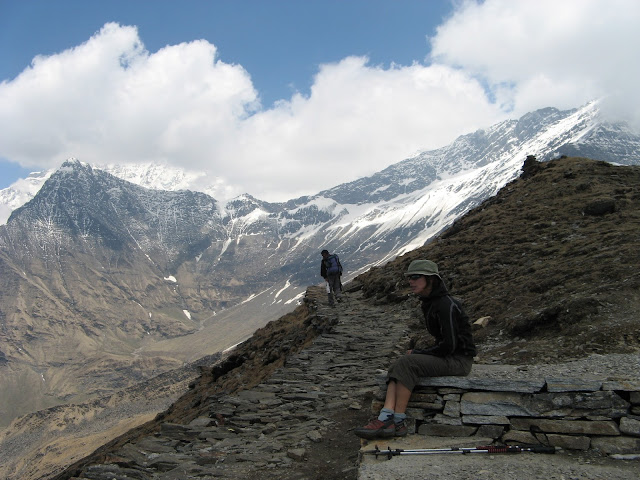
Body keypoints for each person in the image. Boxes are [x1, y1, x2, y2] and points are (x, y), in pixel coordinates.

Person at [354, 259, 476, 439]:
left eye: (416, 277)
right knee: (401, 363)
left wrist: (420, 353)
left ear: (431, 280)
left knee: (408, 362)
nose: (411, 281)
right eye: (410, 277)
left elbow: (450, 346)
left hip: (459, 361)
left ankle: (397, 421)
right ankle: (385, 416)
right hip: (451, 356)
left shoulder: (445, 305)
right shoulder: (431, 303)